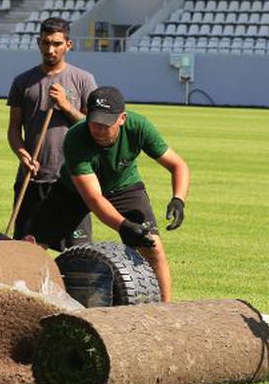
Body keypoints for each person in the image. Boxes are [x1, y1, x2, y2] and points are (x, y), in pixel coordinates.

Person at [27, 86, 189, 303]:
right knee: (35, 246)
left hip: (123, 185)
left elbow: (177, 165)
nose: (99, 130)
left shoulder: (139, 126)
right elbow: (94, 198)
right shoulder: (76, 138)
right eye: (94, 123)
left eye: (106, 125)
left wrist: (178, 199)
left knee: (153, 247)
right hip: (72, 191)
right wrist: (123, 226)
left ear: (122, 118)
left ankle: (166, 309)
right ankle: (26, 299)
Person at [6, 16, 97, 248]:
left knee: (78, 251)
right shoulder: (23, 82)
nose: (50, 49)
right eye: (46, 43)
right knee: (27, 249)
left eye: (56, 43)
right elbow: (14, 128)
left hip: (72, 179)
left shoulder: (83, 80)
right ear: (38, 43)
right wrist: (21, 154)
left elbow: (93, 125)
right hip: (32, 178)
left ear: (68, 44)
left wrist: (67, 107)